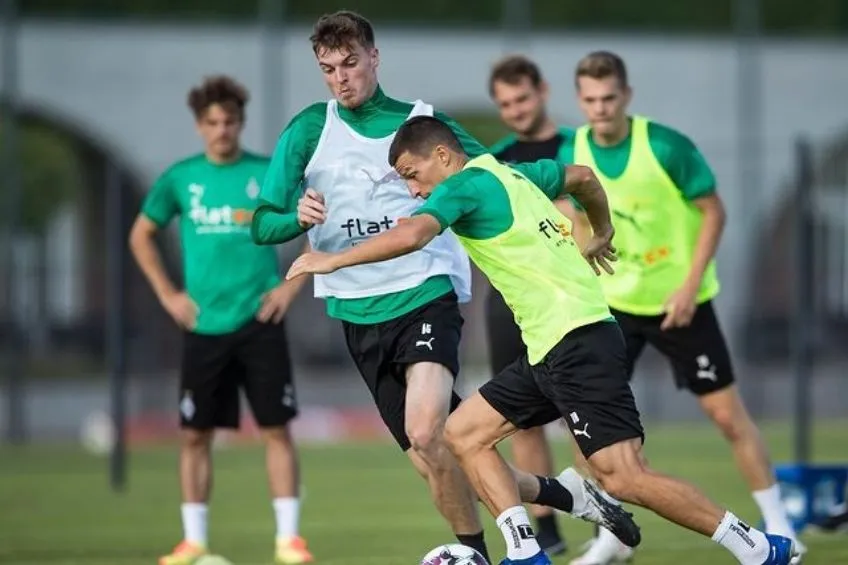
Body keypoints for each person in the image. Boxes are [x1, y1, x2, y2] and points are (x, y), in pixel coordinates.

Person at [285, 115, 800, 565]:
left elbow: (414, 234)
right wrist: (601, 232)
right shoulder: (513, 175)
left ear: (442, 155)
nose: (415, 190)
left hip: (576, 340)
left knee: (623, 476)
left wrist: (331, 260)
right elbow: (583, 177)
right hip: (553, 344)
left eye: (413, 176)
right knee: (462, 433)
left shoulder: (463, 185)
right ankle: (525, 551)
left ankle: (756, 547)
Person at [249, 11, 610, 562]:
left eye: (350, 63)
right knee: (434, 452)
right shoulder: (307, 130)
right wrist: (295, 219)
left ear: (374, 57)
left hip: (426, 291)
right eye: (328, 69)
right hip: (356, 310)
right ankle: (552, 498)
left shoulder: (422, 123)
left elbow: (492, 179)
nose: (341, 78)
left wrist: (560, 228)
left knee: (427, 429)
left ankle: (488, 551)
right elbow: (261, 223)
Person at [561, 50, 806, 565]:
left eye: (609, 98)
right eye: (590, 100)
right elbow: (574, 212)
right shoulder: (572, 148)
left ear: (626, 96)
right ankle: (613, 536)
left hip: (681, 303)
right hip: (613, 309)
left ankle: (779, 522)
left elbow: (713, 211)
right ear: (579, 100)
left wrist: (690, 284)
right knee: (589, 429)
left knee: (727, 416)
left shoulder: (665, 145)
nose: (600, 109)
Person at [128, 76, 312, 565]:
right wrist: (169, 295)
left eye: (230, 121)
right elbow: (141, 236)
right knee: (194, 435)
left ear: (240, 122)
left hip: (260, 320)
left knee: (277, 428)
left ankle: (288, 539)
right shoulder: (180, 178)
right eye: (212, 122)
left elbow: (317, 224)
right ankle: (194, 541)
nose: (222, 130)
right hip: (204, 326)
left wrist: (291, 286)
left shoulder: (266, 173)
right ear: (199, 126)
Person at [484, 54, 588, 556]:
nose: (515, 110)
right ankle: (546, 526)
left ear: (542, 91)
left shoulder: (575, 145)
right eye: (504, 103)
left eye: (522, 98)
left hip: (568, 297)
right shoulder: (498, 157)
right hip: (511, 299)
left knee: (577, 412)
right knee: (522, 417)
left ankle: (602, 511)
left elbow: (585, 201)